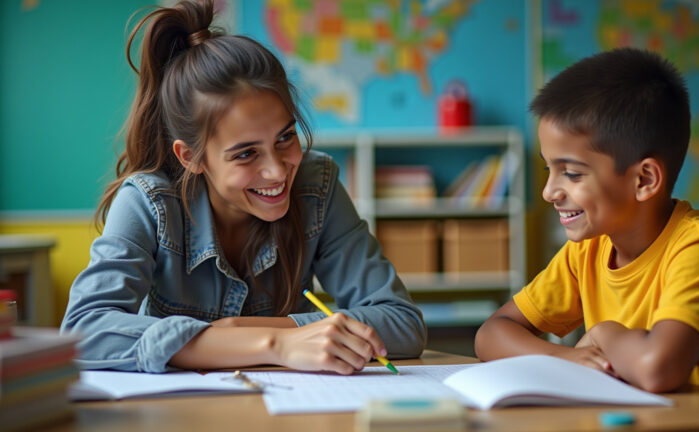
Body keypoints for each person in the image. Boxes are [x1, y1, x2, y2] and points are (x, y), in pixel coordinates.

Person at [60, 0, 425, 375]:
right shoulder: (147, 202)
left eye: (285, 137)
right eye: (246, 153)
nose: (276, 171)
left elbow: (402, 322)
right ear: (191, 157)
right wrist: (276, 344)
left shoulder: (318, 185)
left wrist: (245, 331)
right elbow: (83, 331)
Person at [475, 48, 699, 394]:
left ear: (644, 180)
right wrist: (564, 358)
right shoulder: (588, 249)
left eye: (572, 174)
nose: (550, 191)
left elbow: (658, 370)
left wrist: (603, 332)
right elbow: (491, 333)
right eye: (549, 169)